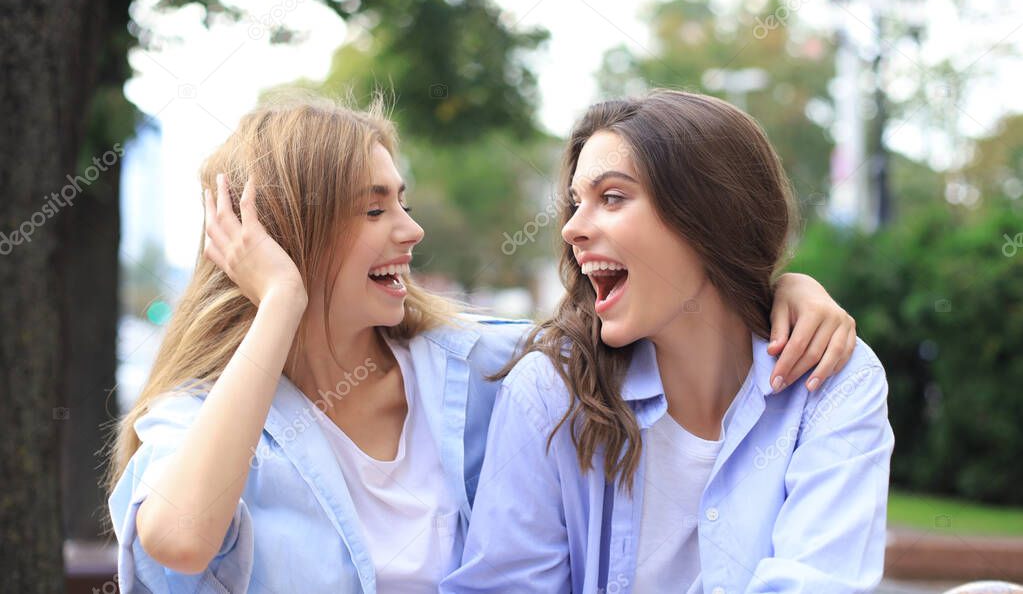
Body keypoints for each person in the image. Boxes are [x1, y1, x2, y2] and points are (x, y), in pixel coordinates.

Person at [107, 92, 859, 593]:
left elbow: (650, 323)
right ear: (285, 235)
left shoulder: (480, 369)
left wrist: (774, 290)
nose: (410, 230)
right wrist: (279, 303)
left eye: (401, 202)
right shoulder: (200, 420)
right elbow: (177, 540)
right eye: (374, 210)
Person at [444, 90, 893, 594]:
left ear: (710, 215)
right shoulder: (550, 390)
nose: (572, 229)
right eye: (575, 203)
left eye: (611, 198)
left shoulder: (833, 380)